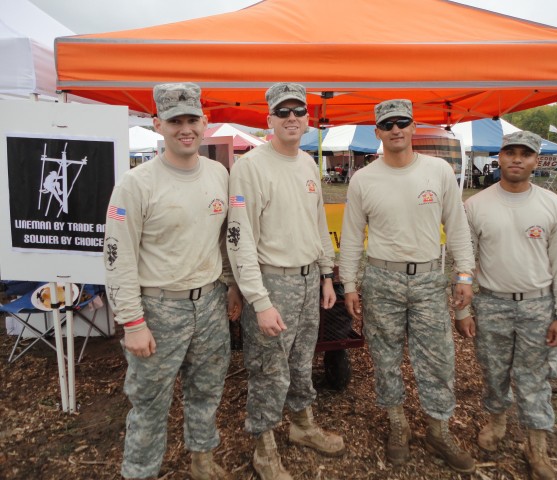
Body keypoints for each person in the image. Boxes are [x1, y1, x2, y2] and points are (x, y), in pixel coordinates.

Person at [103, 82, 242, 480]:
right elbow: (117, 256)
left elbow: (224, 238)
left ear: (205, 121)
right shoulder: (137, 183)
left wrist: (231, 284)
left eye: (192, 119)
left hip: (211, 303)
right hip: (158, 309)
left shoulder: (219, 174)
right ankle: (141, 472)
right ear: (156, 124)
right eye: (175, 120)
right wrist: (132, 322)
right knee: (149, 403)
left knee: (207, 390)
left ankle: (202, 461)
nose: (185, 129)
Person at [339, 99, 476, 474]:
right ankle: (397, 423)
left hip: (430, 279)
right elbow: (351, 236)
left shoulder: (439, 171)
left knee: (437, 357)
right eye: (388, 124)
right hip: (382, 279)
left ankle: (438, 428)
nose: (396, 129)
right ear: (377, 132)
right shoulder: (364, 178)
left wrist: (464, 274)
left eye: (403, 122)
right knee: (384, 358)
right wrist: (349, 284)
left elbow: (458, 227)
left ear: (414, 127)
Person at [227, 82, 343, 480]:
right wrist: (259, 300)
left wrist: (327, 275)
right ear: (269, 120)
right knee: (267, 369)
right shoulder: (250, 168)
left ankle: (302, 424)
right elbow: (239, 240)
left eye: (298, 111)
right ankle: (263, 447)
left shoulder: (308, 163)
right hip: (272, 284)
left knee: (300, 361)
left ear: (307, 119)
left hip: (310, 280)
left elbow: (316, 224)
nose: (292, 118)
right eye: (283, 112)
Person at [457, 131, 557, 480]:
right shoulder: (476, 205)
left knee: (534, 379)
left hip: (538, 306)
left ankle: (536, 446)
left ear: (535, 160)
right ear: (499, 156)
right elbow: (465, 260)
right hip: (492, 304)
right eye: (510, 152)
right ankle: (496, 425)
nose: (516, 159)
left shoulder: (553, 206)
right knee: (494, 374)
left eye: (525, 154)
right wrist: (463, 310)